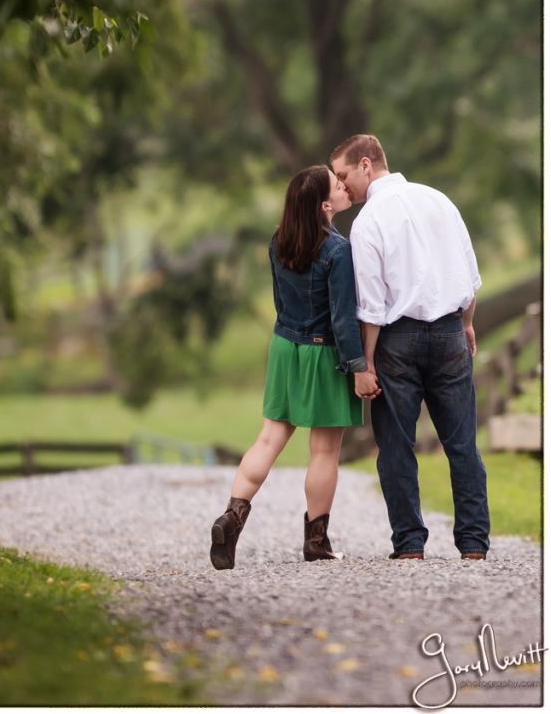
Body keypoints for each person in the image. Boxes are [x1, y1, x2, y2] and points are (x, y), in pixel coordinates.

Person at [210, 165, 378, 571]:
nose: (343, 186)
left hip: (285, 348)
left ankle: (231, 520)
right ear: (325, 205)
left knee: (268, 439)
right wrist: (358, 367)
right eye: (337, 186)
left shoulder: (277, 243)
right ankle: (316, 543)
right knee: (323, 450)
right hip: (323, 355)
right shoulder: (339, 252)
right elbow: (342, 318)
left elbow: (281, 303)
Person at [330, 134, 489, 561]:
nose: (343, 188)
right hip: (450, 332)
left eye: (344, 177)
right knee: (462, 444)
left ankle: (410, 544)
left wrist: (364, 363)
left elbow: (371, 305)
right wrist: (468, 325)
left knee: (397, 444)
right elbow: (470, 275)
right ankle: (474, 543)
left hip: (395, 339)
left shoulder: (368, 221)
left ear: (366, 165)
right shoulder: (439, 200)